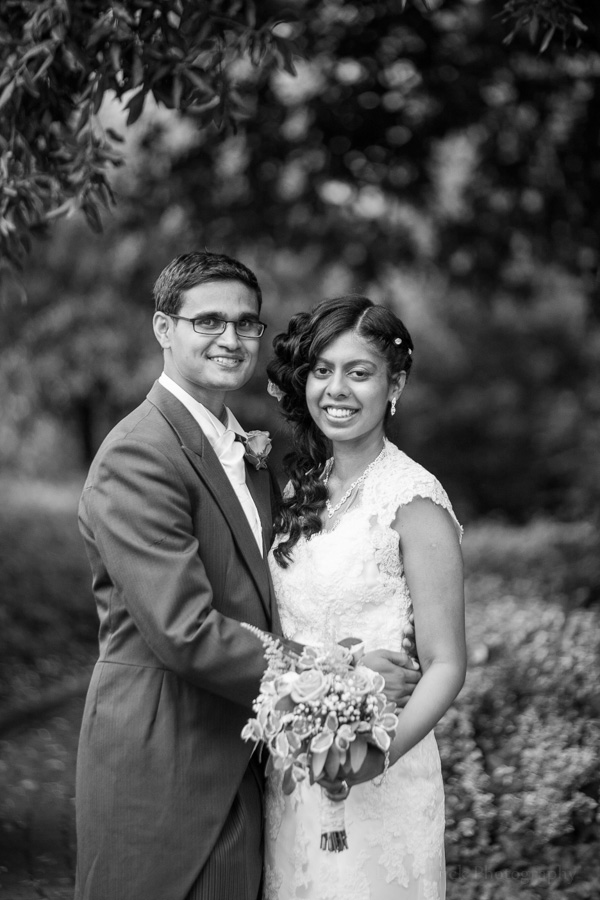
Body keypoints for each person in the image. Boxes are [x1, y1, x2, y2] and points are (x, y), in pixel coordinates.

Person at [75, 253, 421, 900]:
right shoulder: (138, 455)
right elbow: (185, 630)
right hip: (170, 765)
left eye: (246, 324)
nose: (231, 339)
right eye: (208, 321)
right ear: (162, 329)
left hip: (259, 761)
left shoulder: (249, 450)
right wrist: (341, 675)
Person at [264, 295, 466, 900]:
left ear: (394, 385)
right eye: (322, 370)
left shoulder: (415, 501)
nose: (336, 389)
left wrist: (378, 754)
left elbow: (446, 664)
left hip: (383, 767)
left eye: (359, 372)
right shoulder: (303, 488)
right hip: (295, 765)